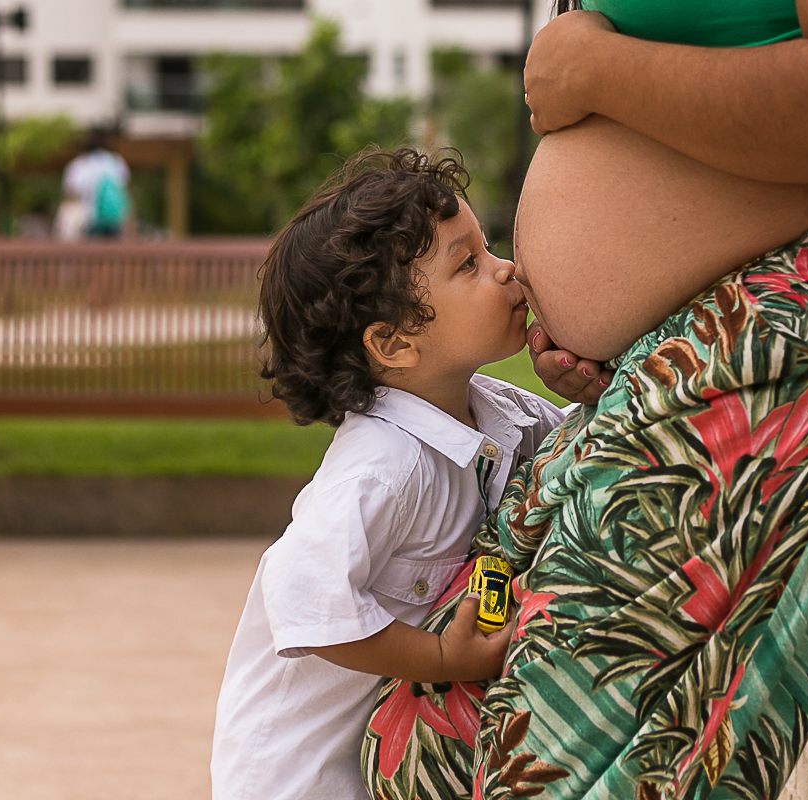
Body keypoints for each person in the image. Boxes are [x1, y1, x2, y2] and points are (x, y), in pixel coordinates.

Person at [362, 2, 808, 799]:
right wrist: (616, 328)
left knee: (534, 757)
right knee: (425, 740)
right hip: (680, 353)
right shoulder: (380, 461)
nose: (505, 271)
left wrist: (592, 70)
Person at [210, 149, 565, 800]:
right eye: (470, 265)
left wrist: (580, 380)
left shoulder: (497, 410)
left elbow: (577, 442)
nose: (506, 268)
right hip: (302, 779)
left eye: (488, 248)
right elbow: (304, 602)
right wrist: (442, 660)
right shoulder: (381, 467)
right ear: (395, 343)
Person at [62, 128, 135, 238]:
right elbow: (125, 190)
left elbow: (70, 193)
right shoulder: (114, 161)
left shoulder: (79, 164)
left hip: (89, 218)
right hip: (115, 218)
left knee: (90, 252)